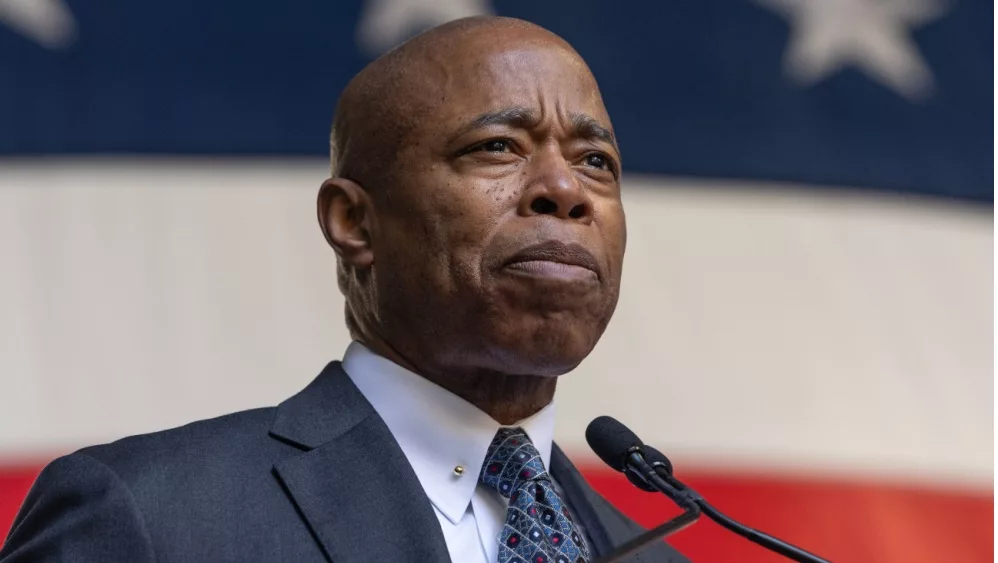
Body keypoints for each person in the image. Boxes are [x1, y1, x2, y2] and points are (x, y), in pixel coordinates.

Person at [0, 16, 688, 563]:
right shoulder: (149, 519)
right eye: (499, 147)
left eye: (595, 161)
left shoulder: (659, 556)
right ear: (354, 221)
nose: (565, 190)